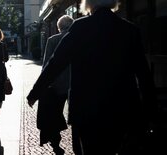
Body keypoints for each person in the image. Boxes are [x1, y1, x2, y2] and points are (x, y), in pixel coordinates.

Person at [27, 0, 157, 154]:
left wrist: (36, 92)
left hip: (86, 108)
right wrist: (150, 112)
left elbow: (56, 62)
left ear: (89, 4)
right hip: (122, 106)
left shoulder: (80, 27)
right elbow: (143, 74)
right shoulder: (130, 29)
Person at [37, 15, 74, 155]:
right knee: (75, 112)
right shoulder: (77, 38)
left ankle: (56, 142)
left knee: (55, 113)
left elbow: (47, 64)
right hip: (74, 82)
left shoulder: (52, 40)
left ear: (59, 27)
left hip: (57, 84)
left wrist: (43, 84)